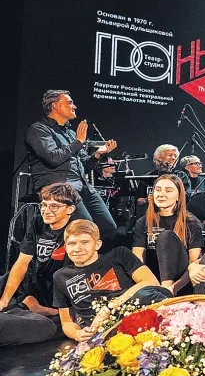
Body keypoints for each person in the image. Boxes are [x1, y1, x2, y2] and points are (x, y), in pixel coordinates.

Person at [53, 219, 169, 342]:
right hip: (104, 332)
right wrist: (77, 333)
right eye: (72, 243)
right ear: (65, 247)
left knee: (148, 294)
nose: (77, 249)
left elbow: (151, 282)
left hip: (136, 311)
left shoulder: (119, 255)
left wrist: (110, 307)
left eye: (85, 242)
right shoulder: (61, 276)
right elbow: (67, 321)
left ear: (97, 244)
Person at [24, 90, 117, 237]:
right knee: (84, 227)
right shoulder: (39, 130)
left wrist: (98, 154)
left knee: (108, 227)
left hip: (81, 187)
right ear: (54, 105)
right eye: (70, 102)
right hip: (57, 187)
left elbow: (84, 165)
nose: (74, 106)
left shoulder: (71, 134)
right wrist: (78, 142)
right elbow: (53, 158)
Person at [0, 182, 80, 315]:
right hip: (37, 280)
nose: (46, 211)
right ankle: (32, 304)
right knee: (7, 280)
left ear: (70, 209)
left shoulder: (77, 228)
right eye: (43, 205)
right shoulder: (37, 222)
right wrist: (4, 301)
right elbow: (22, 263)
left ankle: (51, 310)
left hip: (61, 284)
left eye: (54, 206)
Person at [132, 174, 205, 294]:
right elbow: (138, 260)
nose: (161, 194)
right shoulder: (142, 222)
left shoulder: (191, 223)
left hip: (179, 284)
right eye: (158, 190)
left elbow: (194, 264)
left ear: (178, 196)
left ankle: (165, 292)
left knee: (165, 237)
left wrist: (171, 289)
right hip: (152, 282)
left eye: (168, 191)